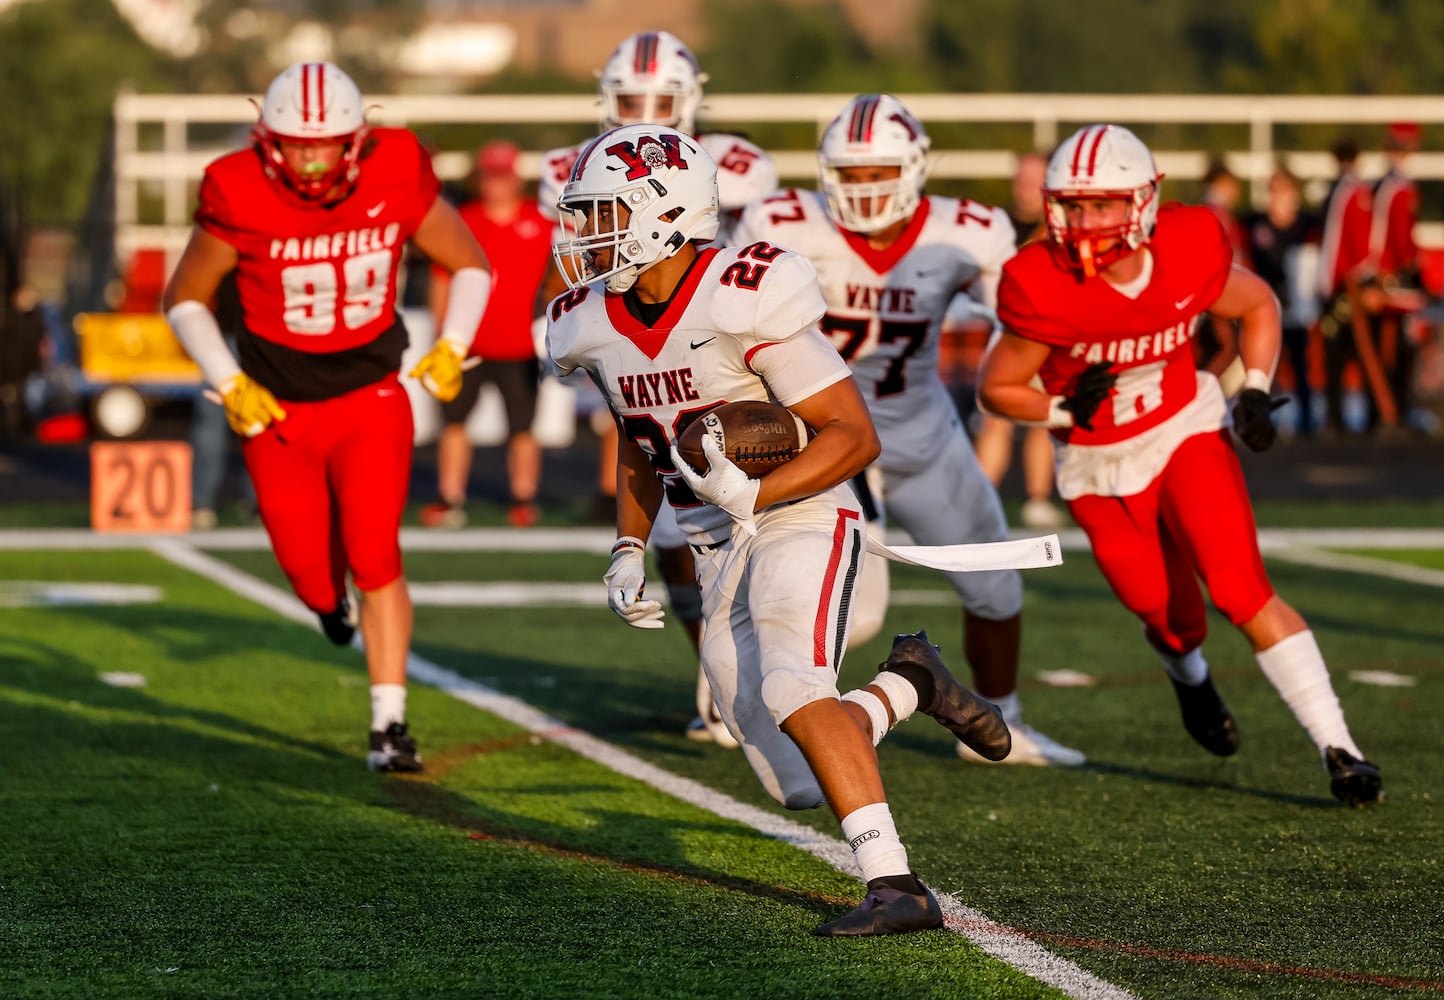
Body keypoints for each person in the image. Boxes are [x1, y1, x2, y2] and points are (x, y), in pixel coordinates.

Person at [546, 123, 1011, 934]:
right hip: (713, 538)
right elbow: (637, 431)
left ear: (664, 212)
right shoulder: (589, 319)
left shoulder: (742, 288)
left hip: (799, 512)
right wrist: (628, 546)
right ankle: (914, 681)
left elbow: (851, 435)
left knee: (794, 683)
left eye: (605, 212)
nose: (586, 233)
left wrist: (752, 495)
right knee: (792, 775)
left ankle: (897, 886)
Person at [978, 124, 1382, 806]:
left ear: (1142, 202)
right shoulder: (1039, 280)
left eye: (1100, 204)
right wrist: (1063, 409)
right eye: (1072, 206)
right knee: (1167, 615)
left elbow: (1257, 304)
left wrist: (1253, 387)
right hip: (1097, 461)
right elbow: (998, 386)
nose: (1083, 221)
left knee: (1238, 588)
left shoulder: (1187, 245)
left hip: (1182, 428)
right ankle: (1190, 675)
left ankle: (1340, 749)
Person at [162, 61, 491, 771]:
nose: (311, 160)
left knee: (375, 557)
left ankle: (389, 723)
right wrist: (227, 379)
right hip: (276, 409)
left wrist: (453, 344)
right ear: (265, 136)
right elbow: (184, 296)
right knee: (311, 574)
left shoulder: (396, 168)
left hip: (370, 397)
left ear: (358, 137)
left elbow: (468, 261)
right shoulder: (236, 186)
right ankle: (325, 604)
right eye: (296, 144)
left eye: (326, 144)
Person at [734, 95, 1079, 768]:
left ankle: (999, 728)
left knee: (997, 585)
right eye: (851, 175)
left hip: (921, 435)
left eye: (880, 172)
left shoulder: (965, 231)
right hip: (826, 442)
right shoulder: (785, 222)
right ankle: (747, 696)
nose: (865, 190)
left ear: (915, 168)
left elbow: (1021, 312)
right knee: (855, 618)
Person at [538, 30, 780, 745]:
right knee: (676, 513)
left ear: (692, 98)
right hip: (636, 336)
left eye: (660, 101)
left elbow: (758, 257)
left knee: (750, 512)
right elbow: (567, 265)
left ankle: (764, 662)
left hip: (724, 350)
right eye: (629, 100)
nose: (644, 114)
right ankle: (718, 665)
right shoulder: (578, 166)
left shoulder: (739, 166)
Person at [421, 139, 553, 529]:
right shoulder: (463, 218)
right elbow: (442, 278)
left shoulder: (541, 221)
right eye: (490, 176)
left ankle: (523, 496)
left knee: (523, 426)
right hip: (469, 342)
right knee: (454, 422)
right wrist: (443, 333)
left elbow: (559, 278)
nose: (497, 184)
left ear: (516, 179)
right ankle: (449, 496)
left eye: (503, 176)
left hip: (521, 344)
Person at [970, 149, 1065, 531]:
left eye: (1033, 181)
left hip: (1045, 335)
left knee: (1041, 416)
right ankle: (981, 498)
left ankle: (1038, 498)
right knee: (996, 418)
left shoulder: (1061, 227)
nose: (1025, 189)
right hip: (1005, 333)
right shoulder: (999, 226)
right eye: (1021, 180)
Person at [1241, 166, 1321, 436]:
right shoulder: (1255, 223)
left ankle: (1307, 420)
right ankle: (1263, 420)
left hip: (1296, 307)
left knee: (1300, 363)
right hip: (1264, 308)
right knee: (1265, 367)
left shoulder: (1307, 225)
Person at [1315, 138, 1379, 436]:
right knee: (1358, 352)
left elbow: (1332, 242)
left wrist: (1328, 285)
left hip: (1338, 285)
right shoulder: (1357, 191)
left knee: (1338, 354)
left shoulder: (1337, 192)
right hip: (1351, 284)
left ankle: (1339, 418)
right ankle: (1370, 417)